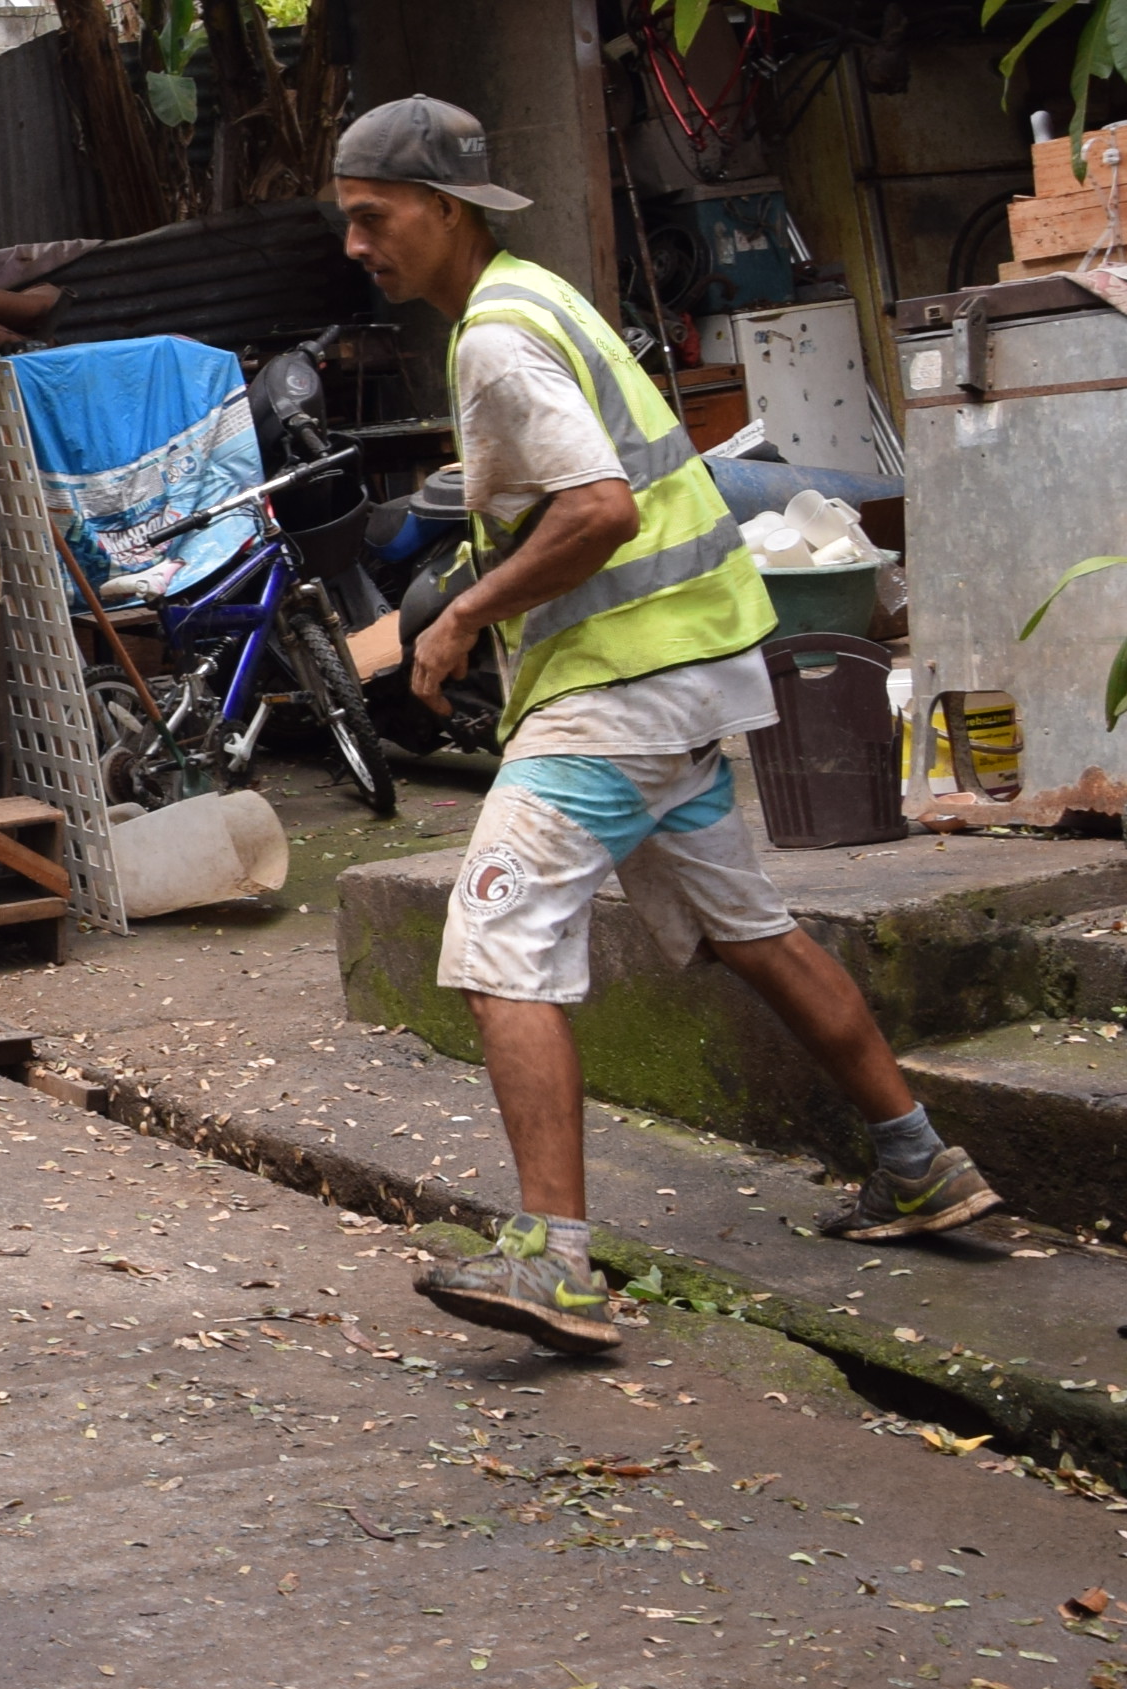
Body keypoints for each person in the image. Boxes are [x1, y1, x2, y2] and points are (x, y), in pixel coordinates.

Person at [332, 93, 998, 1357]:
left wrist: (460, 614)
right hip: (687, 672)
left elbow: (598, 510)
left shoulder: (496, 339)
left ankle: (552, 1262)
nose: (356, 245)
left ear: (444, 209)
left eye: (372, 218)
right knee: (751, 932)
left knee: (495, 934)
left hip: (618, 689)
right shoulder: (537, 295)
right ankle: (919, 1163)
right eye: (348, 221)